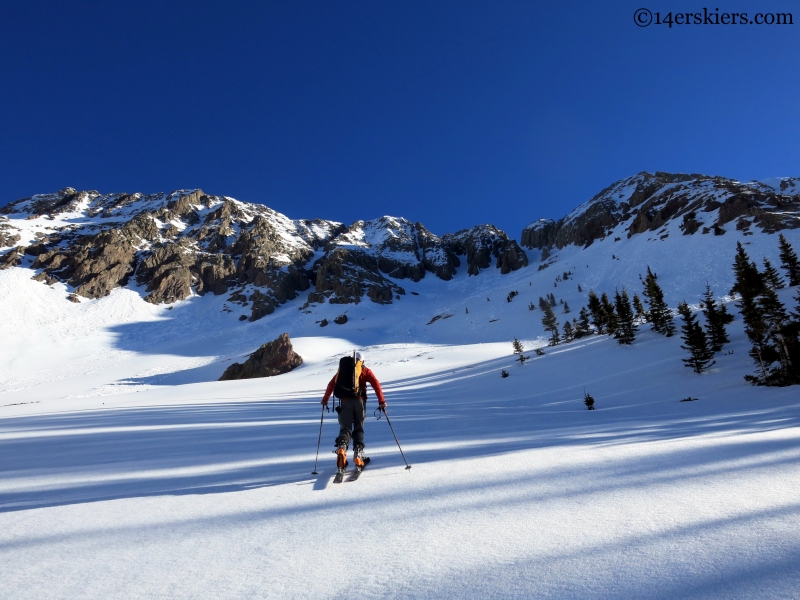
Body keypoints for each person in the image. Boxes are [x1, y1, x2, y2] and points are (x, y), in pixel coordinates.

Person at [321, 350, 386, 470]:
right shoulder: (365, 370)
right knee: (358, 429)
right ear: (362, 361)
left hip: (345, 402)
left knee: (345, 428)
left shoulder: (344, 371)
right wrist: (381, 401)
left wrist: (325, 400)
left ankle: (341, 449)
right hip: (360, 402)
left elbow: (331, 384)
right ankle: (358, 455)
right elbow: (376, 384)